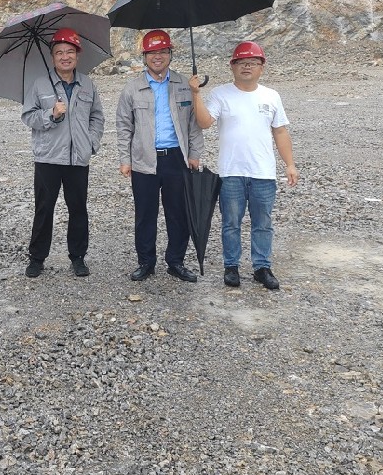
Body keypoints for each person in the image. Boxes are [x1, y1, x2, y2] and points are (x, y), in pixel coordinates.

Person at [190, 41, 299, 291]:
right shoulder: (220, 94)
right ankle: (231, 266)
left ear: (262, 67)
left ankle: (262, 267)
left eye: (253, 62)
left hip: (263, 173)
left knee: (263, 223)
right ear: (232, 66)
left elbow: (280, 132)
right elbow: (204, 122)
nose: (247, 66)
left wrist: (290, 164)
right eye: (241, 62)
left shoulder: (271, 96)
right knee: (231, 223)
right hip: (231, 172)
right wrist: (196, 94)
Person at [116, 29, 203, 283]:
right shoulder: (132, 88)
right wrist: (125, 159)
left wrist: (195, 153)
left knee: (179, 213)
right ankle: (146, 262)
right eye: (152, 52)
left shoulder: (184, 85)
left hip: (177, 158)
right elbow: (124, 126)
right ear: (144, 56)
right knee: (145, 214)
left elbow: (194, 124)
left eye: (163, 51)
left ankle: (176, 261)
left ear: (170, 54)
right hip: (144, 159)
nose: (158, 56)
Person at [21, 28, 105, 278]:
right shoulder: (40, 84)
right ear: (52, 56)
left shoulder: (87, 84)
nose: (65, 57)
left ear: (77, 55)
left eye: (70, 52)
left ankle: (78, 257)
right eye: (59, 52)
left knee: (78, 208)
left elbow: (97, 116)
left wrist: (91, 143)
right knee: (44, 209)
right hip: (48, 158)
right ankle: (37, 258)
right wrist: (51, 114)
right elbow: (28, 116)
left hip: (78, 158)